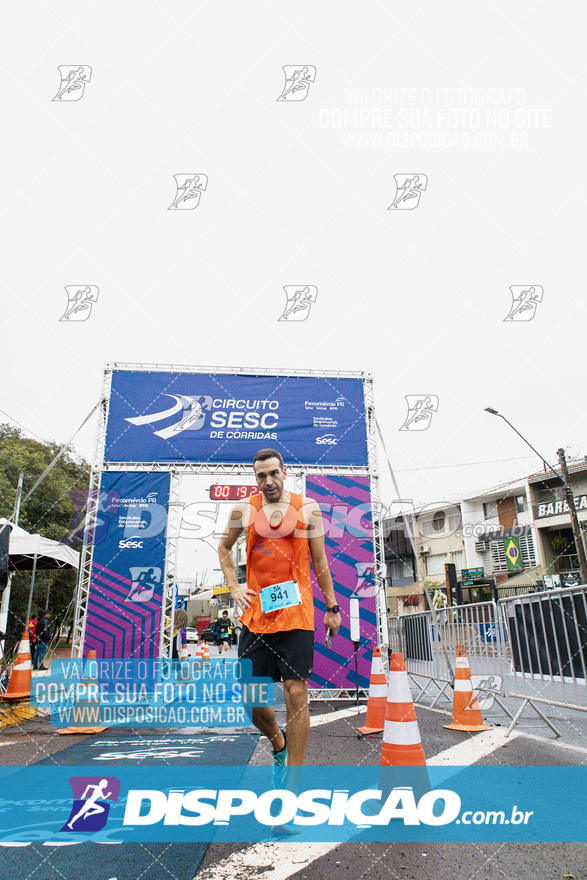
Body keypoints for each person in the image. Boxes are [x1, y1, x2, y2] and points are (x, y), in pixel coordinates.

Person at [218, 449, 340, 799]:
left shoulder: (307, 508)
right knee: (252, 700)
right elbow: (224, 548)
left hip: (297, 612)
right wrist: (234, 584)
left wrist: (331, 606)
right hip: (257, 615)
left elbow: (320, 561)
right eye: (261, 476)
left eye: (274, 473)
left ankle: (293, 787)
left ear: (285, 472)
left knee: (296, 693)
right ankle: (277, 740)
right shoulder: (244, 509)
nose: (268, 481)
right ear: (255, 478)